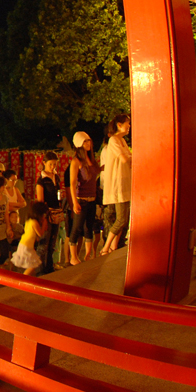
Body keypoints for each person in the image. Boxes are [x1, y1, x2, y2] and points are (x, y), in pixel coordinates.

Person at [68, 131, 101, 265]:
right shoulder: (76, 161)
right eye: (85, 141)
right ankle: (73, 257)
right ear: (79, 144)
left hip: (92, 199)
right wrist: (74, 202)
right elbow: (72, 183)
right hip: (81, 199)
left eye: (89, 141)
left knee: (89, 228)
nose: (88, 144)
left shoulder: (91, 159)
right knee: (77, 228)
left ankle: (88, 255)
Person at [101, 114, 132, 255]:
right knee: (121, 219)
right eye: (127, 123)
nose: (129, 126)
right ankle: (106, 248)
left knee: (124, 220)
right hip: (117, 185)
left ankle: (112, 247)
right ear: (119, 125)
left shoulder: (122, 141)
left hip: (124, 184)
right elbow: (125, 159)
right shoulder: (114, 140)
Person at [36, 152, 63, 274]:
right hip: (47, 214)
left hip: (56, 212)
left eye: (55, 164)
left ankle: (50, 267)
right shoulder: (41, 180)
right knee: (43, 244)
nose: (53, 167)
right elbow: (40, 200)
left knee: (53, 242)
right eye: (50, 164)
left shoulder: (56, 177)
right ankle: (40, 270)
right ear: (44, 163)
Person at [11, 201, 51, 275]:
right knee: (32, 266)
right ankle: (22, 281)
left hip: (25, 244)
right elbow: (40, 234)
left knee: (33, 266)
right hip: (26, 246)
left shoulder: (29, 221)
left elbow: (30, 233)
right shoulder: (34, 222)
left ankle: (28, 280)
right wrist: (45, 224)